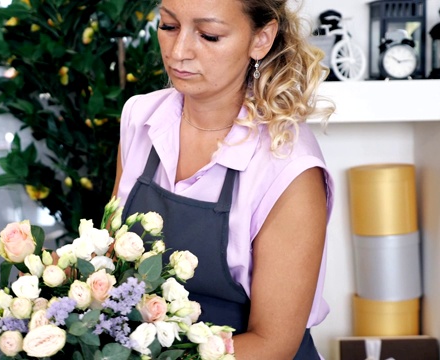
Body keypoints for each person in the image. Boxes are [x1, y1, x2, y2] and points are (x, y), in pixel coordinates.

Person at [112, 0, 335, 358]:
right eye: (168, 26)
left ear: (261, 39)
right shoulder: (140, 117)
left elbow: (273, 344)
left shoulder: (288, 167)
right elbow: (112, 262)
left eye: (209, 35)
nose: (179, 51)